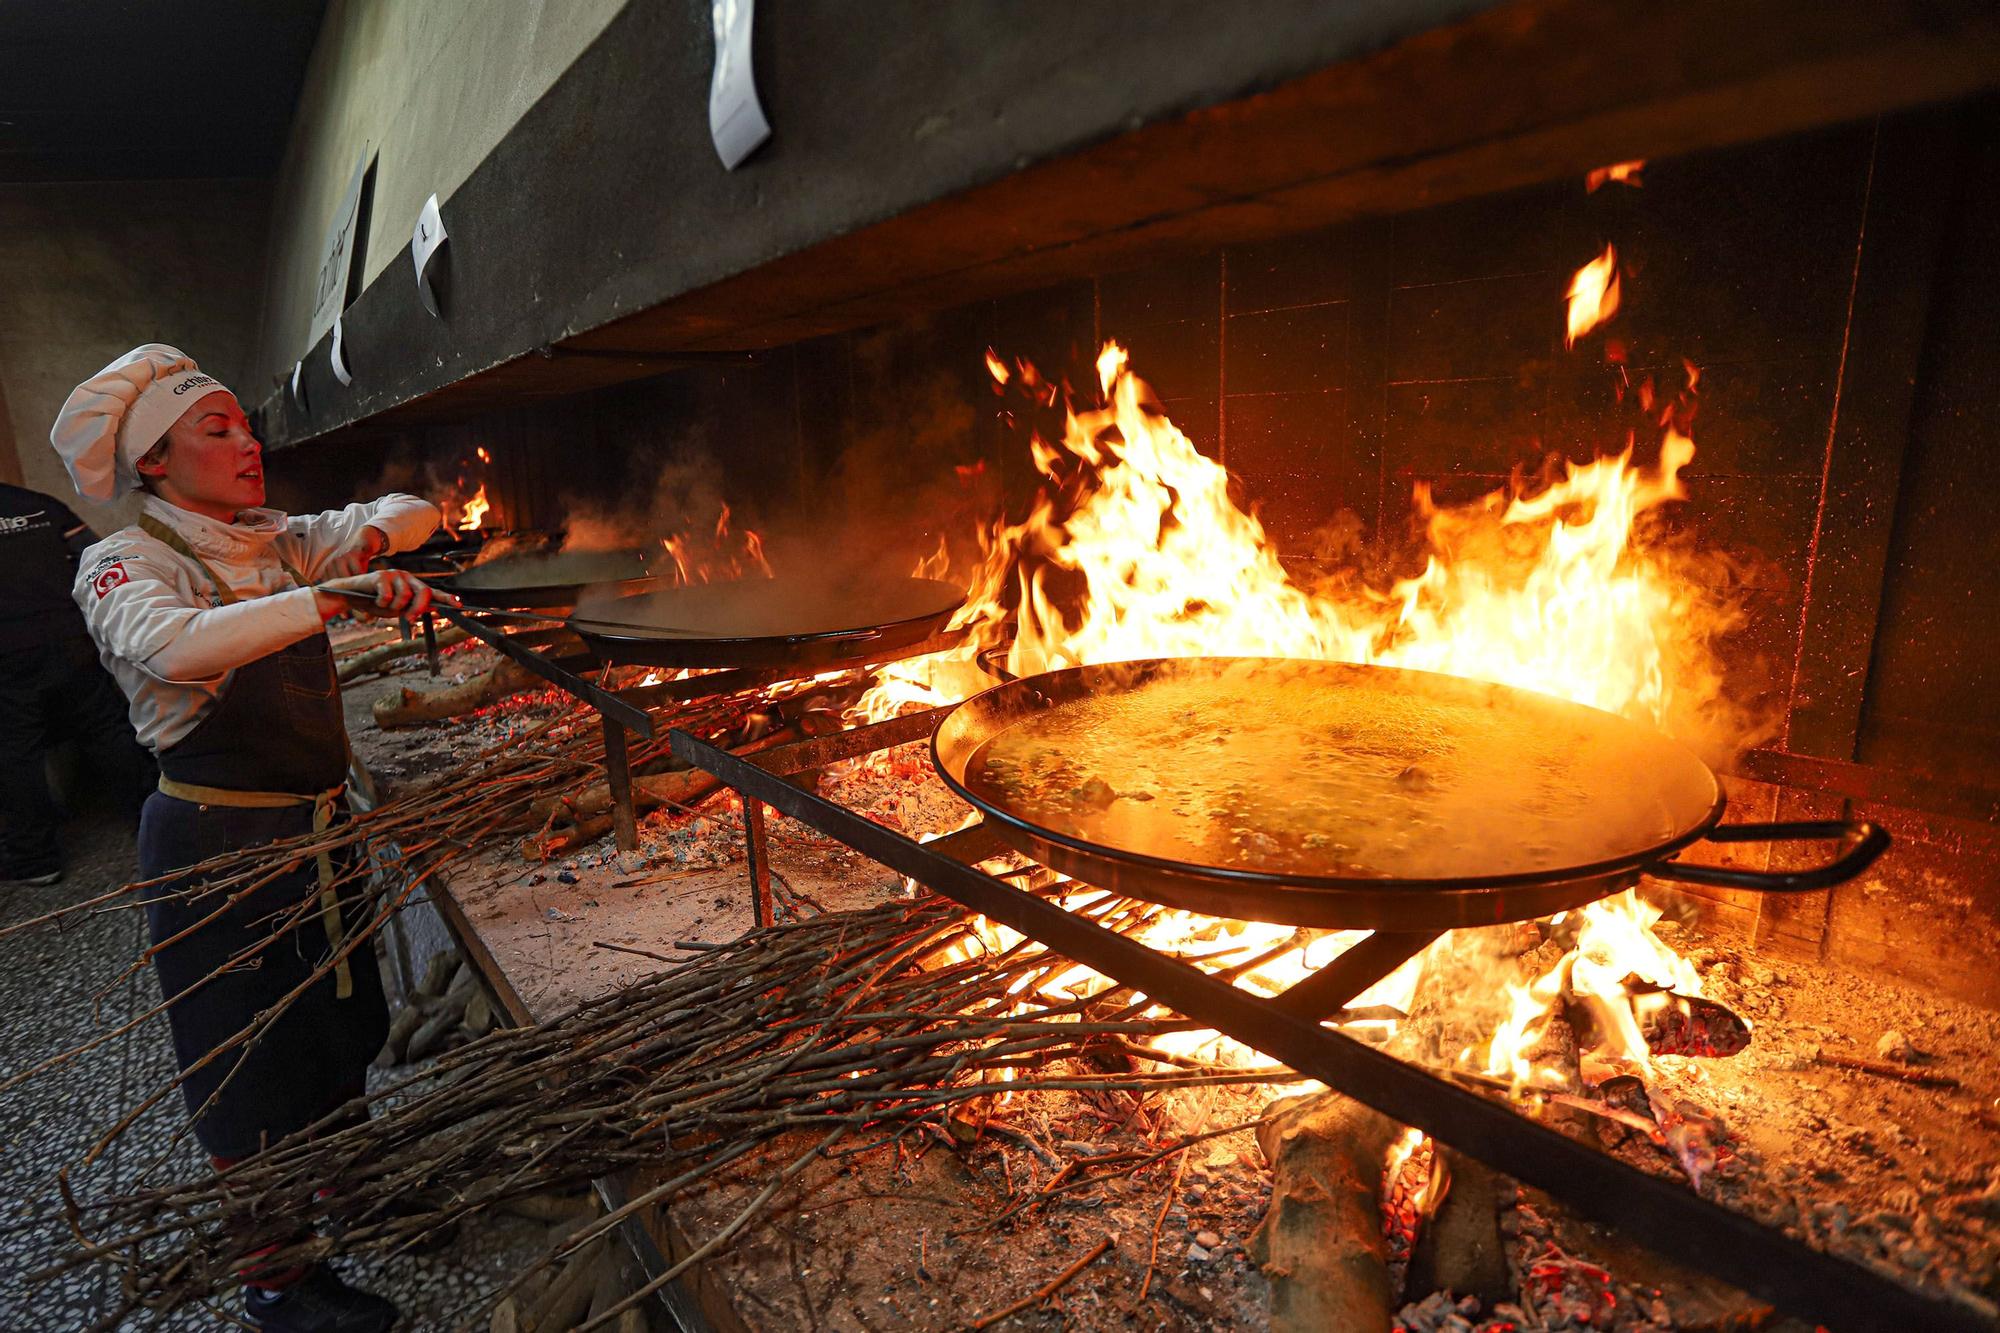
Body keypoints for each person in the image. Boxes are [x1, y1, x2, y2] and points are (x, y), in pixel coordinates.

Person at [52, 345, 444, 1333]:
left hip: (318, 837)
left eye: (245, 423)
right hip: (213, 850)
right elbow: (175, 644)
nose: (247, 441)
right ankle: (279, 1285)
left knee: (337, 1034)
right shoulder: (124, 564)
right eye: (215, 429)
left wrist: (367, 547)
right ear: (152, 463)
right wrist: (331, 595)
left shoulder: (271, 538)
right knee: (247, 1069)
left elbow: (409, 514)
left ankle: (351, 1192)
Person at [0, 480, 154, 884]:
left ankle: (35, 860)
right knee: (107, 727)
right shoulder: (38, 503)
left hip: (8, 652)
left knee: (16, 751)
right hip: (69, 637)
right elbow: (96, 555)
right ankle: (151, 823)